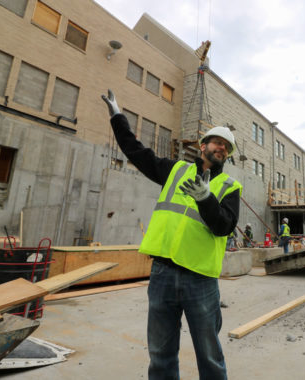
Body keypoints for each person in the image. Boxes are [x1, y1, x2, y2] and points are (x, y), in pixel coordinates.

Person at [102, 89, 242, 379]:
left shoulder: (229, 186)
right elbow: (136, 152)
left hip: (200, 279)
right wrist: (118, 117)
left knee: (210, 355)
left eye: (227, 148)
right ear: (203, 146)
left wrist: (205, 198)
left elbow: (224, 227)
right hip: (163, 274)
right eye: (217, 142)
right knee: (161, 352)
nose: (222, 149)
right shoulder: (174, 170)